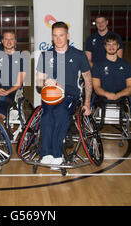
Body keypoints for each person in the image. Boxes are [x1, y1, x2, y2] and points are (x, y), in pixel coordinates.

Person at [36, 22, 93, 167]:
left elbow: (88, 80)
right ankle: (46, 153)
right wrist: (45, 83)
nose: (58, 39)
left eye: (61, 35)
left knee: (61, 113)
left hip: (69, 95)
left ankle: (57, 154)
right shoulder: (45, 55)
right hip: (50, 95)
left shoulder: (79, 55)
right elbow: (38, 83)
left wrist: (87, 103)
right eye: (55, 36)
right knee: (47, 116)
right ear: (52, 37)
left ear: (67, 36)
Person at [0, 30, 26, 120]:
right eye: (6, 39)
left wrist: (7, 92)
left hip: (12, 93)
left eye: (11, 39)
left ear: (15, 41)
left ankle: (1, 121)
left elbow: (18, 83)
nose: (8, 42)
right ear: (2, 41)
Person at [91, 33, 131, 103]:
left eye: (114, 44)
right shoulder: (97, 65)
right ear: (105, 46)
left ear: (118, 46)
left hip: (121, 98)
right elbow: (96, 87)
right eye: (108, 44)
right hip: (103, 98)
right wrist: (107, 94)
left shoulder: (126, 65)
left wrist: (118, 95)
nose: (111, 47)